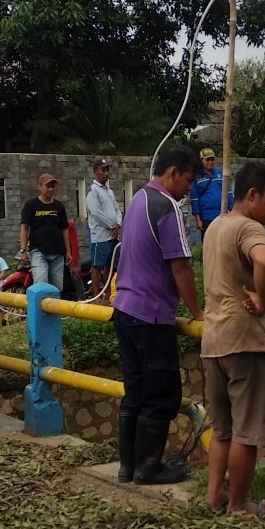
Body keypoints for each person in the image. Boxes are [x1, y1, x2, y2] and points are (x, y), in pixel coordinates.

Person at [112, 143, 204, 485]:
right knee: (162, 393)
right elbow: (179, 265)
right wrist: (197, 311)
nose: (188, 188)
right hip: (150, 315)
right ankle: (148, 467)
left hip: (124, 309)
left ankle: (128, 466)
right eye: (188, 180)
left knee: (135, 391)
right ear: (172, 173)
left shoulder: (138, 199)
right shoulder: (167, 206)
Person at [202, 160, 265, 518]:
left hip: (213, 340)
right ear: (252, 195)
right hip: (245, 341)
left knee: (222, 429)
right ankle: (238, 506)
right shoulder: (250, 228)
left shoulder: (215, 226)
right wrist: (262, 299)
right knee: (246, 432)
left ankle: (215, 496)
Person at [19, 173, 76, 293]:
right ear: (40, 186)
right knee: (41, 286)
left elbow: (64, 229)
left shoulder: (59, 206)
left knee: (57, 289)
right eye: (47, 186)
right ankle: (39, 312)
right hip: (38, 251)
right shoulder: (31, 205)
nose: (50, 189)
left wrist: (68, 252)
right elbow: (24, 228)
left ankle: (54, 312)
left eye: (52, 186)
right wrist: (23, 250)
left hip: (57, 253)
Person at [86, 156, 122, 298]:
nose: (106, 173)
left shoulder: (109, 191)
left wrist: (118, 224)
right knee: (97, 266)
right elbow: (96, 213)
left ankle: (108, 294)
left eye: (107, 170)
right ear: (95, 171)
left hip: (112, 235)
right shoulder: (92, 190)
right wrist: (111, 226)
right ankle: (96, 295)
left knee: (110, 265)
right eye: (103, 170)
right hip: (100, 236)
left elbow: (117, 210)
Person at [190, 148, 232, 239]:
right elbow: (194, 198)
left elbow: (228, 193)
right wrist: (197, 219)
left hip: (222, 216)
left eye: (212, 159)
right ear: (201, 161)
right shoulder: (197, 177)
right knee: (207, 243)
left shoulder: (221, 174)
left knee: (222, 242)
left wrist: (233, 212)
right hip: (206, 217)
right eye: (207, 160)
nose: (210, 162)